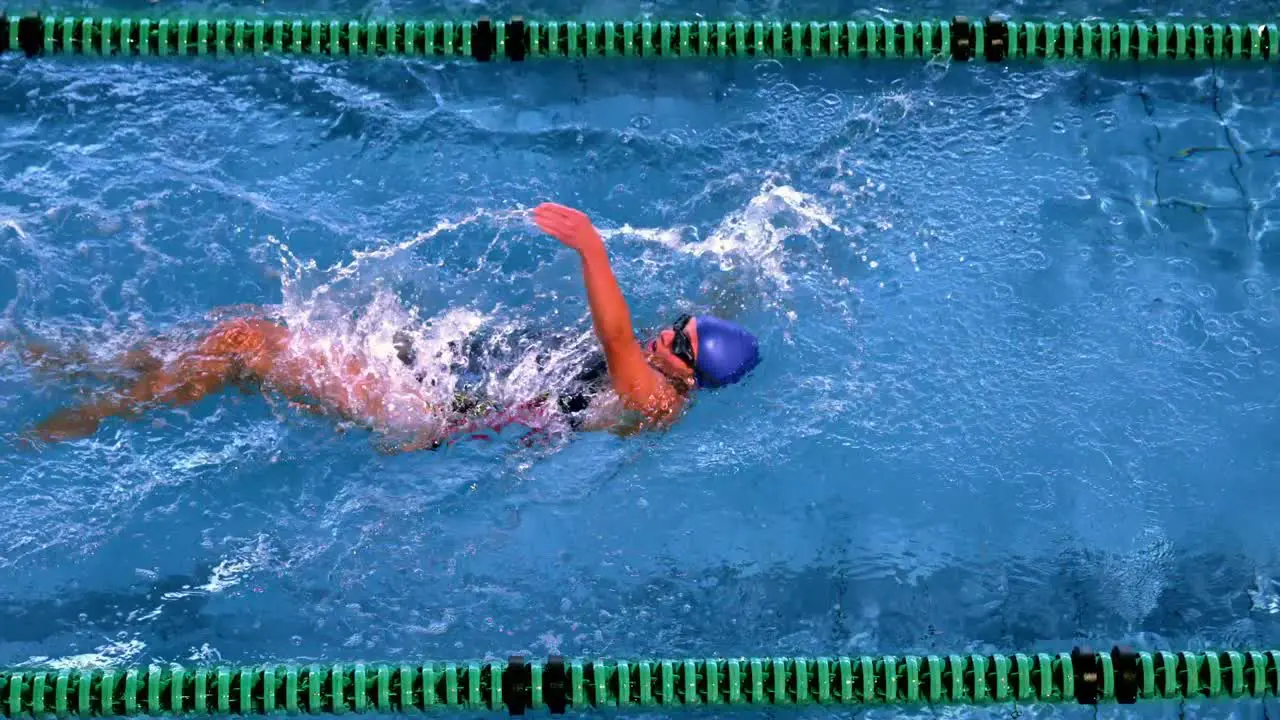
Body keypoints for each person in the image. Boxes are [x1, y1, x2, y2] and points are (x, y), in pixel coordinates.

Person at [11, 203, 762, 451]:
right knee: (241, 330)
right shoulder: (671, 367)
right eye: (675, 325)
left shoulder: (656, 402)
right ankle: (64, 361)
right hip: (446, 373)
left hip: (432, 412)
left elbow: (613, 339)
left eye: (681, 344)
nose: (664, 336)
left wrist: (592, 248)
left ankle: (71, 423)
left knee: (246, 345)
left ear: (691, 376)